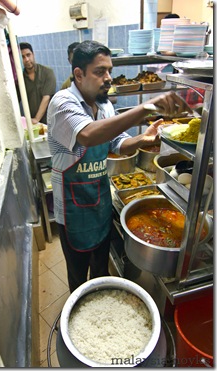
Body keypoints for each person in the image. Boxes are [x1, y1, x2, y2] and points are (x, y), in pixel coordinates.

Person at [47, 40, 192, 293]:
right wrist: (147, 107)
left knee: (101, 271)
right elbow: (89, 135)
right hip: (73, 209)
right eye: (100, 71)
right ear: (78, 75)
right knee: (78, 277)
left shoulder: (104, 105)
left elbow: (116, 143)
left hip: (100, 201)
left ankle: (102, 304)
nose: (108, 78)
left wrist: (142, 139)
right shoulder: (62, 103)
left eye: (109, 71)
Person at [19, 42, 56, 124]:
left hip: (51, 121)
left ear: (33, 54)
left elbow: (46, 98)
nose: (27, 59)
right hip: (33, 124)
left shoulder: (47, 72)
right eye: (23, 57)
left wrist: (36, 119)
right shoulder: (20, 79)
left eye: (28, 55)